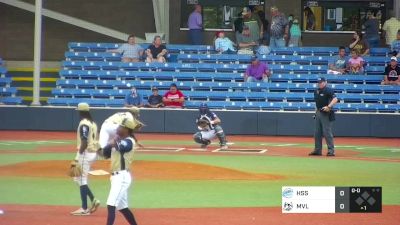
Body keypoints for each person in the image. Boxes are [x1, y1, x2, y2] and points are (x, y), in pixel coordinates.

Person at [100, 118, 143, 225]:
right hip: (115, 177)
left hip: (122, 177)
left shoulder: (130, 141)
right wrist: (108, 145)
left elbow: (122, 147)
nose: (118, 128)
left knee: (111, 204)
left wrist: (114, 141)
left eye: (120, 127)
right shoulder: (118, 139)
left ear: (127, 130)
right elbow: (105, 154)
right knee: (122, 207)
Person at [70, 103, 101, 216]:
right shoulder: (92, 123)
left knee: (81, 179)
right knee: (77, 178)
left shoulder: (84, 124)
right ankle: (93, 199)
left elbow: (84, 141)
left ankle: (84, 208)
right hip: (92, 153)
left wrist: (78, 156)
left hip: (85, 153)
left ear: (80, 111)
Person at [309, 77, 338, 157]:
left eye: (321, 82)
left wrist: (329, 106)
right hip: (318, 112)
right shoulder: (316, 91)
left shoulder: (328, 90)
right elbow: (317, 103)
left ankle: (331, 151)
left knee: (327, 132)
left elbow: (335, 99)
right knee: (317, 133)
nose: (320, 84)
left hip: (326, 113)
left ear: (325, 82)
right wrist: (315, 113)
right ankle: (317, 150)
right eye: (319, 82)